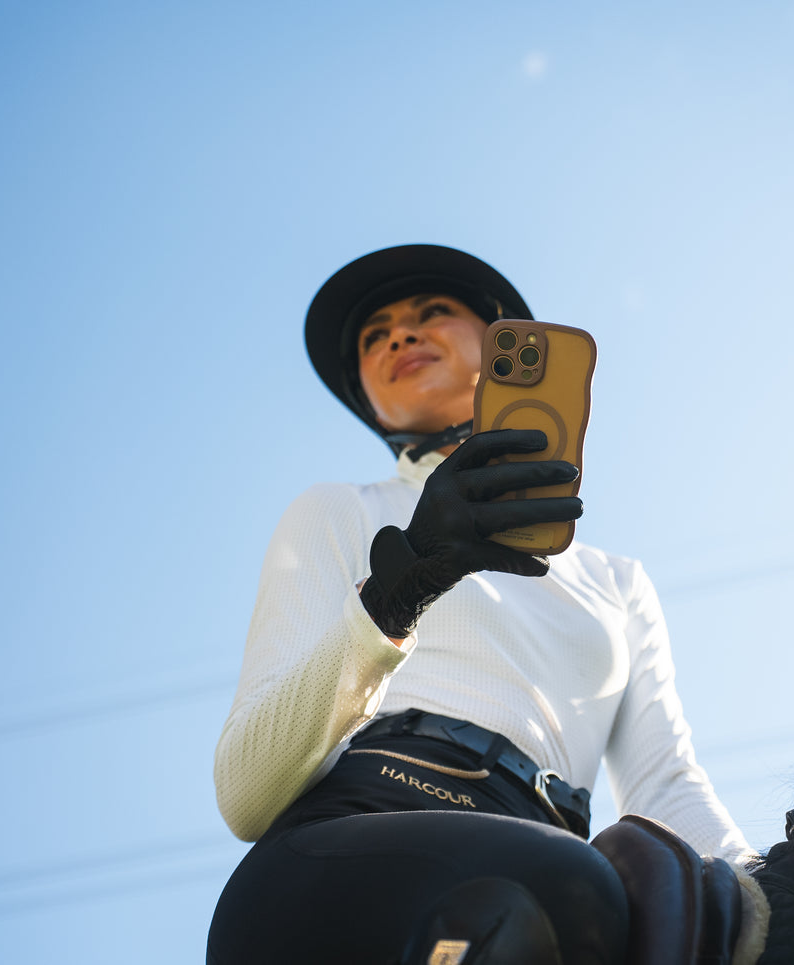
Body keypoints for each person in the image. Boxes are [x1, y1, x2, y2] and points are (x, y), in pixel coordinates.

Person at [207, 245, 748, 965]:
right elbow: (246, 791)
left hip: (547, 854)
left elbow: (665, 785)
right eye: (375, 337)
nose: (399, 335)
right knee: (577, 889)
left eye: (431, 313)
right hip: (354, 839)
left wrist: (775, 887)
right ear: (367, 394)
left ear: (499, 352)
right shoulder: (339, 510)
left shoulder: (620, 581)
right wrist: (399, 590)